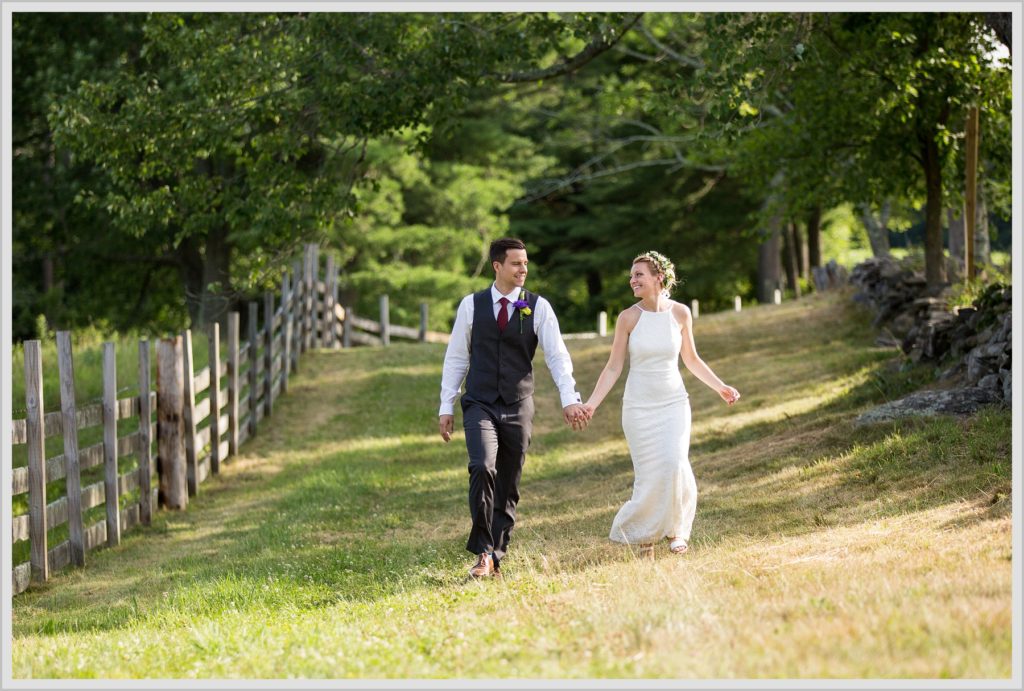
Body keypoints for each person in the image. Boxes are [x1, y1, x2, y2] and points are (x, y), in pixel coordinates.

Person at [439, 238, 591, 578]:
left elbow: (556, 356)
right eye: (516, 264)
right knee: (482, 467)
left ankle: (496, 554)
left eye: (525, 263)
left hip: (518, 405)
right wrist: (445, 404)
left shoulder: (538, 307)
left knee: (508, 484)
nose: (523, 269)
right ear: (497, 266)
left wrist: (570, 398)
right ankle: (482, 551)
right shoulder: (471, 305)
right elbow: (456, 357)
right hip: (479, 402)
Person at [582, 251, 740, 558]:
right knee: (649, 474)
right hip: (638, 407)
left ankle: (677, 531)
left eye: (639, 274)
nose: (633, 280)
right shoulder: (628, 318)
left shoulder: (680, 314)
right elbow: (614, 366)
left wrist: (720, 387)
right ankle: (646, 541)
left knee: (674, 463)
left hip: (673, 403)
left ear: (659, 278)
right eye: (631, 275)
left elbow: (691, 359)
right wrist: (592, 403)